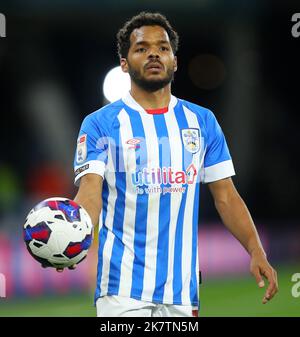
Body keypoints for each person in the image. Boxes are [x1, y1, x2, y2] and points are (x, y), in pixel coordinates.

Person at [69, 12, 278, 317]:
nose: (154, 53)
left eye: (163, 48)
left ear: (175, 61)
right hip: (122, 290)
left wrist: (255, 248)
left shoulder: (202, 121)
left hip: (182, 291)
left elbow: (226, 196)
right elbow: (90, 192)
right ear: (124, 63)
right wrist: (74, 237)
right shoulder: (100, 124)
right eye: (141, 48)